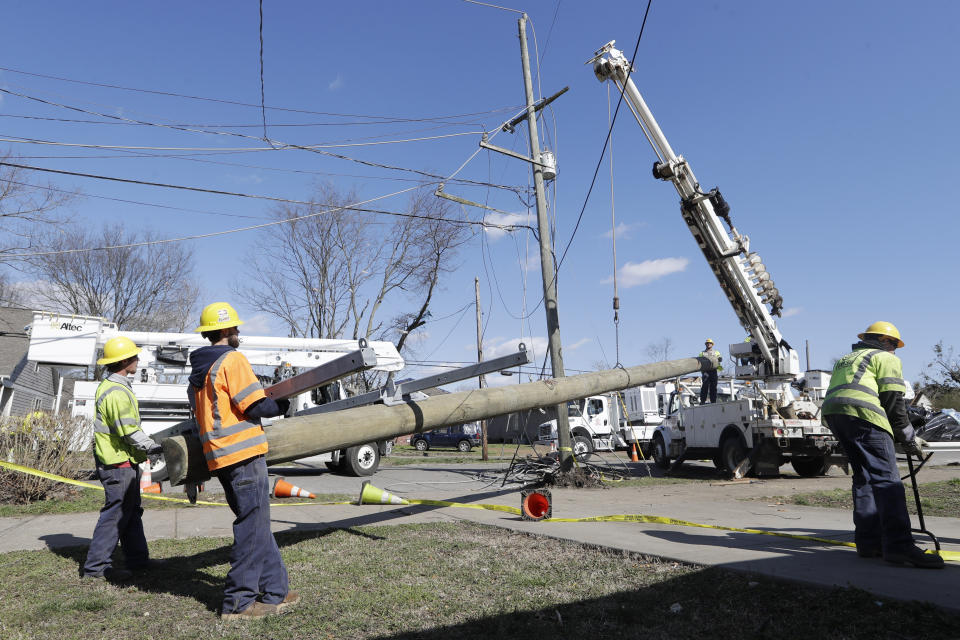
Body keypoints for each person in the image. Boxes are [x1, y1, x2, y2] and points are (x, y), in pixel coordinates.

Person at [188, 302, 299, 620]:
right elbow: (254, 407)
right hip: (244, 455)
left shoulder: (199, 371)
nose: (238, 332)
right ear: (224, 331)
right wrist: (281, 403)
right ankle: (239, 602)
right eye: (235, 328)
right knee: (252, 529)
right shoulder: (232, 360)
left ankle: (275, 590)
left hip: (222, 458)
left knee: (257, 526)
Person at [822, 321, 943, 569]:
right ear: (885, 341)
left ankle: (869, 543)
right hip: (864, 415)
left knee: (864, 478)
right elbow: (894, 402)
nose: (895, 352)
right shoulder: (884, 358)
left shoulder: (847, 358)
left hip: (836, 415)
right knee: (888, 481)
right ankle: (899, 547)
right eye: (895, 346)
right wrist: (908, 437)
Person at [81, 336, 164, 581]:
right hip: (117, 462)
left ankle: (138, 560)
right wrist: (152, 447)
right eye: (135, 356)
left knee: (130, 511)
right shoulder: (116, 392)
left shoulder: (114, 386)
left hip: (122, 461)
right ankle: (96, 569)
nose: (138, 360)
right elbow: (127, 430)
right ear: (125, 361)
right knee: (116, 513)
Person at [698, 338, 723, 404]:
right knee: (705, 386)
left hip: (713, 371)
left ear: (712, 344)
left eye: (710, 343)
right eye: (707, 343)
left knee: (713, 387)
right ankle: (702, 401)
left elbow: (719, 359)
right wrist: (703, 372)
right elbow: (699, 362)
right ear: (706, 344)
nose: (708, 344)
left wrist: (720, 359)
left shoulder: (716, 352)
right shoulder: (702, 353)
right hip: (706, 372)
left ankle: (713, 401)